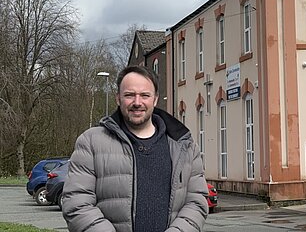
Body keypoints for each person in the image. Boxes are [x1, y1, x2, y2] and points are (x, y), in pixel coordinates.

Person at [62, 65, 208, 232]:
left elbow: (196, 201)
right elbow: (76, 203)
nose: (137, 102)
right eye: (129, 95)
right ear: (118, 98)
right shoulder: (91, 142)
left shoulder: (184, 145)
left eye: (145, 95)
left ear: (155, 99)